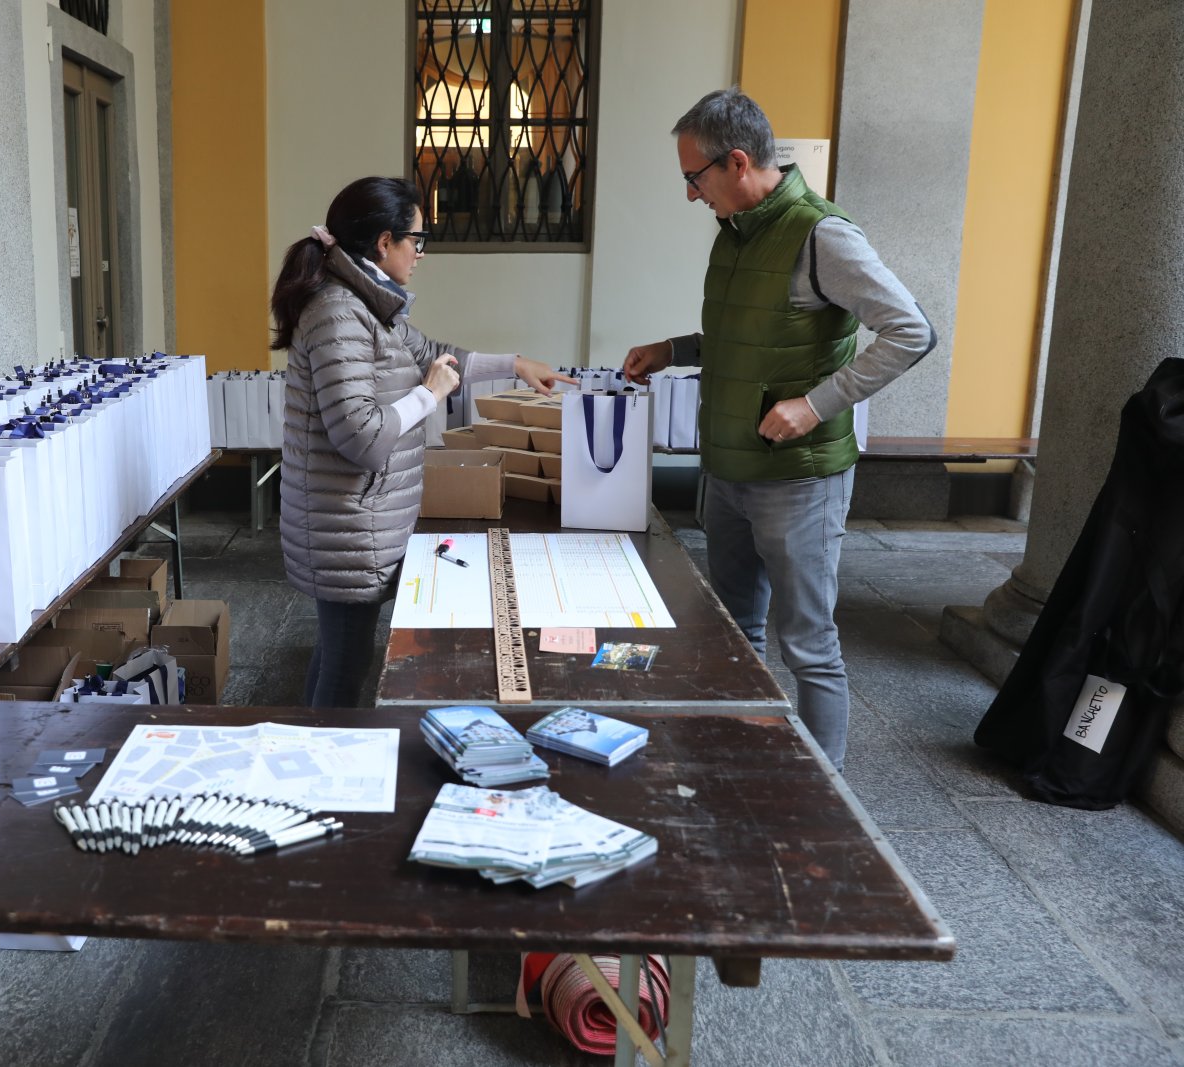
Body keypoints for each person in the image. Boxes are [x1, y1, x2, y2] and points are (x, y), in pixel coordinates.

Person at [623, 88, 934, 770]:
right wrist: (673, 349)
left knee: (809, 646)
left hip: (798, 479)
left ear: (736, 163)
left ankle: (828, 795)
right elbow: (755, 336)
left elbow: (912, 331)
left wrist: (816, 405)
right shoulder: (736, 232)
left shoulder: (823, 234)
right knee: (734, 631)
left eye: (694, 177)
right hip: (728, 470)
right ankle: (744, 764)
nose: (690, 193)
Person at [272, 176, 576, 707]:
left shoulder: (367, 301)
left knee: (338, 651)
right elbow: (361, 438)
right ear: (383, 242)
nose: (421, 253)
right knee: (345, 665)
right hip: (348, 526)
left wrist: (515, 364)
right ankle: (325, 751)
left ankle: (313, 736)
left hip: (358, 521)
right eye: (417, 239)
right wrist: (429, 395)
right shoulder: (339, 312)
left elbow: (432, 353)